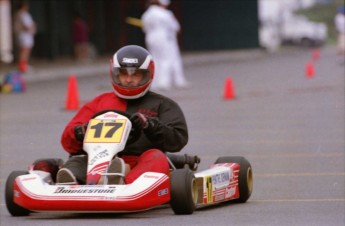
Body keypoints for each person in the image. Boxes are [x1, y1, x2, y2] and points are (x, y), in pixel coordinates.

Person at [56, 45, 188, 185]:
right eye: (124, 74)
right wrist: (80, 132)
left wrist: (150, 125)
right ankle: (71, 181)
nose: (129, 80)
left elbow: (178, 140)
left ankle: (122, 182)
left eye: (135, 74)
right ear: (116, 74)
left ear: (147, 74)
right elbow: (67, 141)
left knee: (156, 157)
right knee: (78, 159)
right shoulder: (100, 102)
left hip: (139, 163)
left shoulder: (162, 104)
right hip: (100, 163)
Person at [141, 0, 189, 91]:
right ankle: (164, 82)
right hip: (165, 38)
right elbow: (176, 27)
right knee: (166, 59)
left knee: (154, 59)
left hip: (150, 38)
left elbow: (145, 28)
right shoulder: (166, 14)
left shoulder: (146, 15)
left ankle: (154, 82)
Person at [13, 1, 36, 73]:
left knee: (26, 50)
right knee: (24, 50)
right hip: (24, 35)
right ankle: (22, 66)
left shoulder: (22, 14)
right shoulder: (22, 14)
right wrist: (31, 28)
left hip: (25, 35)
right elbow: (26, 25)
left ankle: (24, 64)